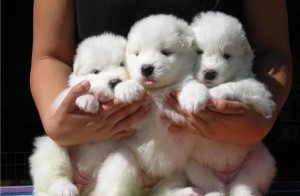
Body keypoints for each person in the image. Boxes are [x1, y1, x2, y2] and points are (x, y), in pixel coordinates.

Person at [30, 0, 291, 149]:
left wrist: (260, 118)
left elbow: (273, 52)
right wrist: (57, 119)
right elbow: (49, 55)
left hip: (217, 159)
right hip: (105, 153)